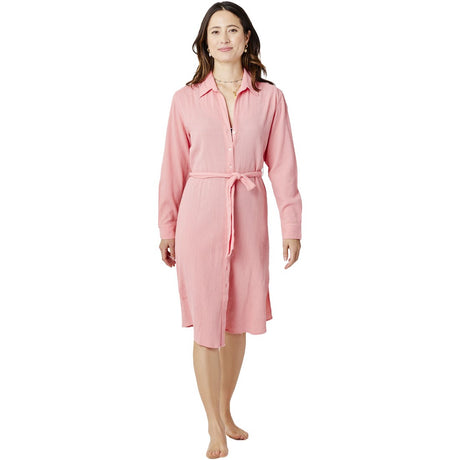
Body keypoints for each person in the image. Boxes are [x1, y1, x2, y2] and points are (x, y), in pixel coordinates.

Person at [158, 2, 302, 458]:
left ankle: (224, 410)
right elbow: (173, 168)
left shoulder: (270, 98)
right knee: (206, 323)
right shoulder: (185, 99)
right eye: (215, 31)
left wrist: (292, 224)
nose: (224, 38)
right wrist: (167, 225)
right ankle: (212, 426)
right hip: (199, 217)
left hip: (250, 214)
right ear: (205, 42)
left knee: (238, 321)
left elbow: (283, 165)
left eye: (232, 30)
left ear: (246, 38)